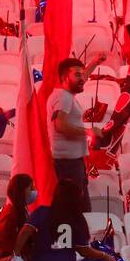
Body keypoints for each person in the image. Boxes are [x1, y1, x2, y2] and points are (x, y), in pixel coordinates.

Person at [50, 58, 93, 213]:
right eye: (77, 75)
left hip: (71, 162)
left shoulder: (64, 95)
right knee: (78, 211)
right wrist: (88, 132)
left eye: (83, 75)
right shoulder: (64, 97)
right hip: (69, 164)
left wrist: (94, 62)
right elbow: (60, 125)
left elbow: (81, 78)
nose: (83, 79)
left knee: (77, 209)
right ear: (64, 78)